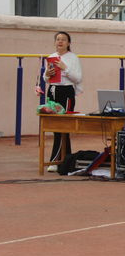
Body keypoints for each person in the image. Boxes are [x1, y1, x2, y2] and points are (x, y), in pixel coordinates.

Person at [44, 31, 82, 170]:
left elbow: (78, 78)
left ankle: (57, 160)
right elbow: (46, 78)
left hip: (66, 92)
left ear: (68, 43)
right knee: (55, 126)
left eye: (63, 39)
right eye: (58, 39)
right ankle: (66, 159)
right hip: (53, 91)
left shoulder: (73, 58)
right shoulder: (51, 57)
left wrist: (64, 68)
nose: (60, 42)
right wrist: (47, 75)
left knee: (63, 126)